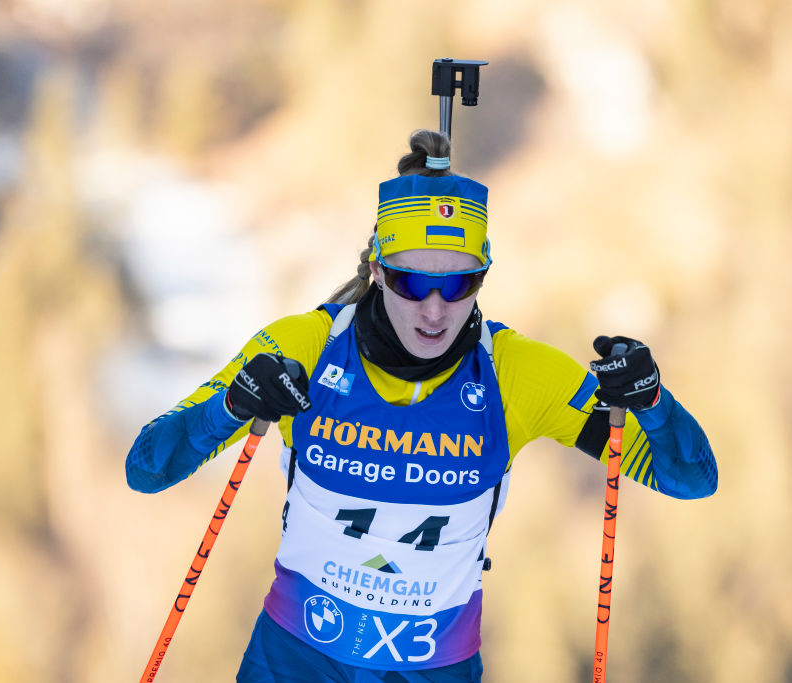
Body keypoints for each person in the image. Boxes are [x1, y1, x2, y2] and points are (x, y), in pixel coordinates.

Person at [126, 129, 718, 682]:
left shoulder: (516, 375)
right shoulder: (306, 347)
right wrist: (232, 405)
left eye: (459, 285)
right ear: (379, 271)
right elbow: (147, 469)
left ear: (483, 278)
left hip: (432, 668)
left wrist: (651, 400)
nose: (435, 311)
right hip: (296, 660)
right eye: (412, 283)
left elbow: (691, 478)